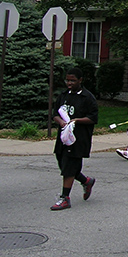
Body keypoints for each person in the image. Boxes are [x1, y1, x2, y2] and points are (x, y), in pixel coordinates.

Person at [51, 66, 97, 210]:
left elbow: (93, 118)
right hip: (63, 137)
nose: (69, 83)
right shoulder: (64, 95)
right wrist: (61, 122)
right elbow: (55, 113)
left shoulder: (87, 97)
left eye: (73, 80)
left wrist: (76, 120)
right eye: (68, 80)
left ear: (80, 80)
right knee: (63, 164)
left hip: (78, 138)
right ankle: (86, 181)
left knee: (69, 166)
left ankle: (65, 198)